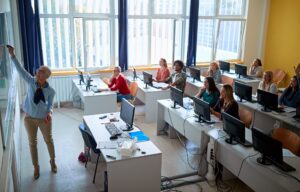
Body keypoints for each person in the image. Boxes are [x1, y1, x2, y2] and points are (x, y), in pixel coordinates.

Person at [7, 45, 57, 180]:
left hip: (43, 119)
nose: (38, 72)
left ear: (45, 77)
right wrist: (12, 55)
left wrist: (50, 113)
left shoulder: (50, 91)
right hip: (29, 118)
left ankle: (52, 160)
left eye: (41, 71)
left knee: (48, 140)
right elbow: (21, 70)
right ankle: (36, 167)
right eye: (39, 70)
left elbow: (50, 104)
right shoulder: (31, 81)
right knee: (32, 143)